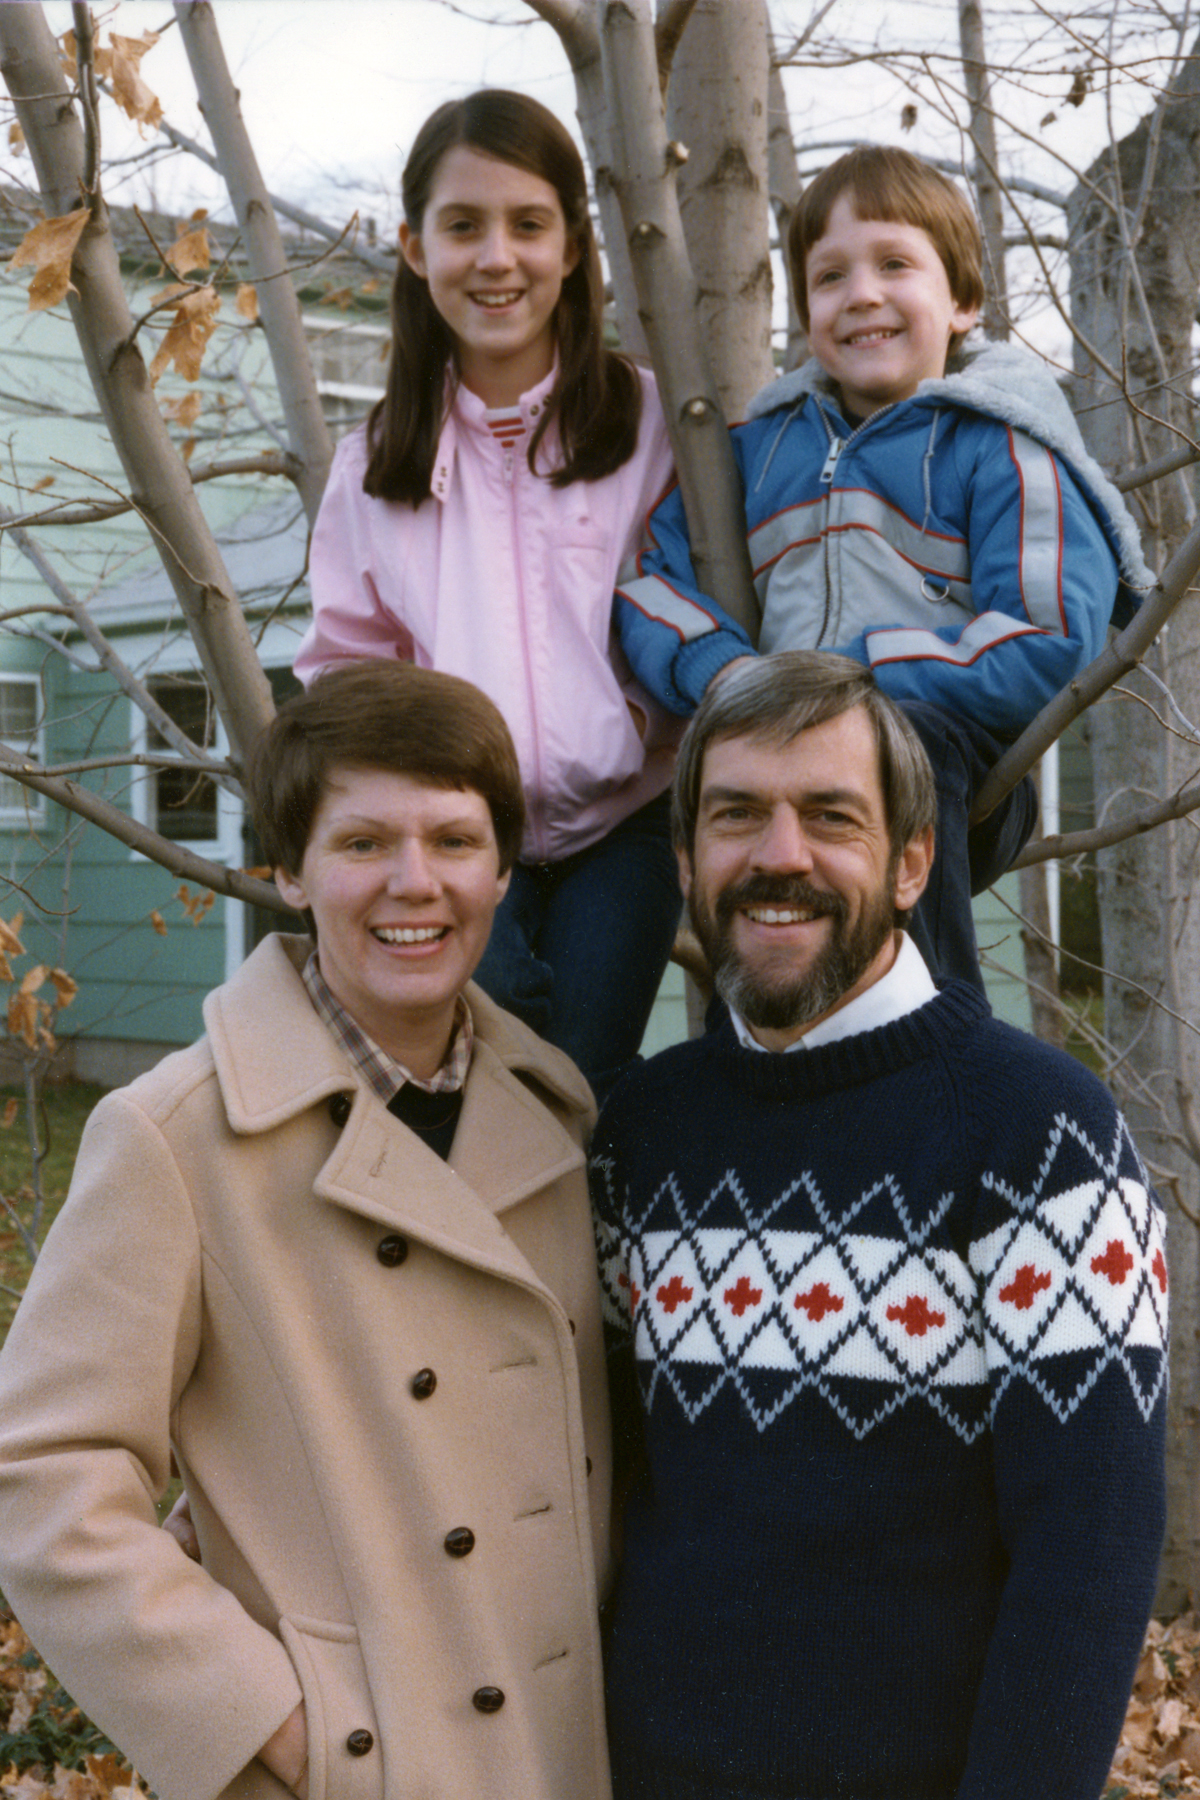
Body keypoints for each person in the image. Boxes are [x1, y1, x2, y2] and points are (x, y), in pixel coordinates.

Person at [0, 662, 615, 1800]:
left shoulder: (560, 1114)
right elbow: (40, 1471)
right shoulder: (176, 1135)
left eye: (454, 841)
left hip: (572, 1750)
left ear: (501, 869)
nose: (414, 883)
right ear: (290, 870)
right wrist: (276, 1724)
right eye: (363, 843)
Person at [591, 652, 1168, 1800]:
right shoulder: (640, 1132)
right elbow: (611, 1483)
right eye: (736, 814)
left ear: (911, 864)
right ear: (686, 860)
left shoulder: (1039, 1133)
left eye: (831, 816)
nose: (780, 855)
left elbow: (1090, 1551)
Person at [613, 145, 1153, 990]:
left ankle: (933, 1031)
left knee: (901, 746)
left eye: (895, 265)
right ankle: (754, 1031)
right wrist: (724, 675)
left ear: (963, 302)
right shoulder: (759, 451)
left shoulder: (1003, 446)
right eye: (831, 277)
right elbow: (650, 579)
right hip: (785, 751)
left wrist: (850, 680)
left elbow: (1050, 636)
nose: (862, 293)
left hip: (956, 765)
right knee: (737, 802)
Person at [294, 89, 680, 1105]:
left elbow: (693, 605)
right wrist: (419, 804)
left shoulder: (647, 423)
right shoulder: (375, 460)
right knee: (477, 1077)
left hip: (623, 825)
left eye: (528, 225)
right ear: (416, 248)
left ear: (572, 246)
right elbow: (345, 667)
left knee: (581, 1087)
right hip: (452, 831)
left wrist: (630, 726)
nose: (496, 258)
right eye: (463, 226)